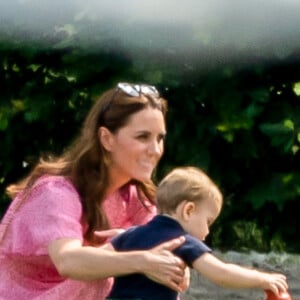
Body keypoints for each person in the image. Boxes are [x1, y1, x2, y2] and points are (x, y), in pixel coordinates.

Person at [0, 82, 188, 300]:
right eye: (142, 137)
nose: (155, 150)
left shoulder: (137, 199)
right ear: (107, 139)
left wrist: (174, 266)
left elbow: (168, 261)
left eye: (160, 138)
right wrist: (143, 259)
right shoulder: (55, 192)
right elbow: (68, 261)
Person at [104, 166, 289, 300]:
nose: (207, 231)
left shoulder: (130, 234)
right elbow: (222, 273)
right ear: (188, 210)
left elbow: (97, 259)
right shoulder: (183, 241)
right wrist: (263, 279)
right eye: (208, 222)